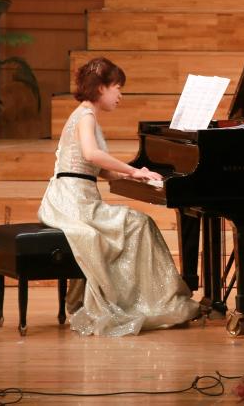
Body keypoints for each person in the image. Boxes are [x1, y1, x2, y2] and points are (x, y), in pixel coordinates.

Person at [38, 57, 201, 336]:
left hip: (78, 197)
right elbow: (92, 154)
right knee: (139, 224)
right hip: (72, 202)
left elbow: (100, 170)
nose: (120, 95)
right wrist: (133, 171)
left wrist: (136, 176)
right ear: (100, 87)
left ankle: (145, 299)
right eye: (117, 87)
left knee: (138, 223)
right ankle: (150, 301)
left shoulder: (85, 115)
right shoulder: (86, 116)